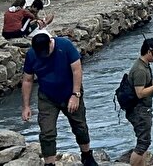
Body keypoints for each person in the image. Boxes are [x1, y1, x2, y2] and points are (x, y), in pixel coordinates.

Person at [21, 31, 99, 166]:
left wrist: (75, 95)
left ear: (51, 42)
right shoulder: (32, 54)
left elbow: (77, 70)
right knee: (47, 132)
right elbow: (28, 80)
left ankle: (87, 155)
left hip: (70, 92)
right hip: (47, 96)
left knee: (79, 126)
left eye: (46, 52)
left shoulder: (65, 46)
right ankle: (49, 163)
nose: (44, 55)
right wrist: (26, 106)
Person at [126, 38, 153, 165]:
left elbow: (148, 84)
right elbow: (140, 93)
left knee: (145, 142)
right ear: (150, 52)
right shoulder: (140, 70)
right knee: (143, 143)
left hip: (143, 109)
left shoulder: (145, 66)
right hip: (139, 110)